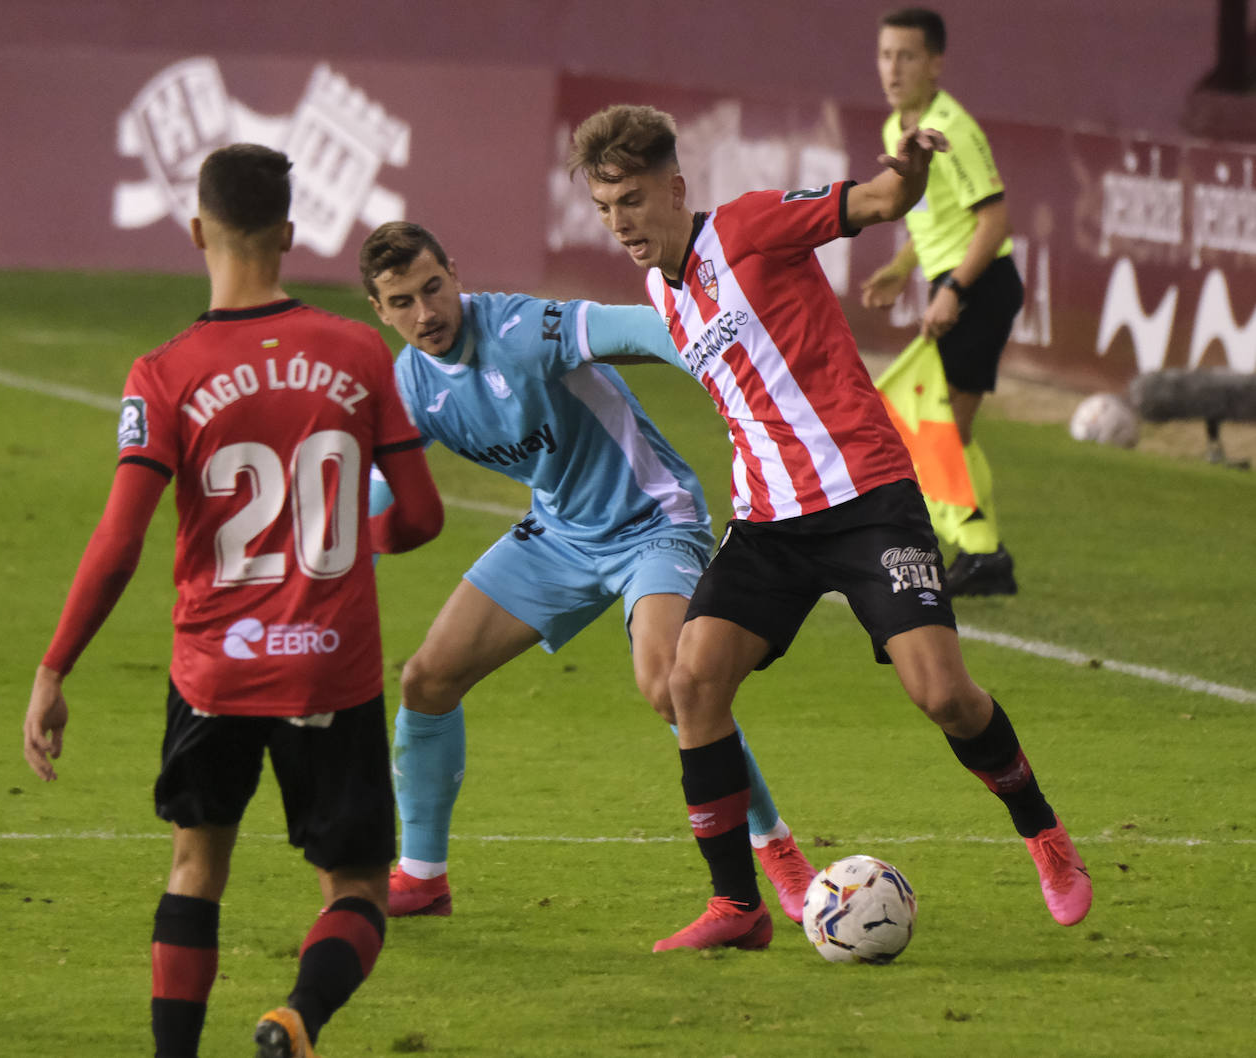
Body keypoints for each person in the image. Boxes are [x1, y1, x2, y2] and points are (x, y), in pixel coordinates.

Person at [567, 103, 1091, 952]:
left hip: (865, 495)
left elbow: (878, 202)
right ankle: (738, 906)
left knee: (942, 694)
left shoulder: (750, 227)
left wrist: (911, 173)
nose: (618, 221)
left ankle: (1044, 834)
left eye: (629, 198)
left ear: (674, 188)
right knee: (688, 685)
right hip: (769, 520)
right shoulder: (657, 294)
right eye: (602, 206)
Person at [21, 144, 443, 1058]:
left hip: (214, 669)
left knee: (196, 864)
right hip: (332, 671)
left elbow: (120, 542)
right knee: (358, 886)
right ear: (291, 235)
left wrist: (55, 666)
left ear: (196, 230)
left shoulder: (165, 371)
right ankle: (296, 1017)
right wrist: (355, 549)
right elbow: (420, 516)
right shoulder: (361, 350)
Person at [357, 220, 815, 939]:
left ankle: (776, 848)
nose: (426, 314)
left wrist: (714, 359)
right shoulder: (411, 385)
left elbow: (631, 327)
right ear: (378, 312)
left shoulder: (518, 326)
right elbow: (383, 484)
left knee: (671, 687)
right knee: (427, 680)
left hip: (652, 523)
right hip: (560, 536)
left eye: (433, 289)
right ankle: (421, 876)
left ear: (454, 272)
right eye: (402, 302)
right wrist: (354, 565)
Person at [860, 7, 1024, 597]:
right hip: (952, 286)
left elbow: (995, 219)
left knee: (944, 429)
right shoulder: (896, 131)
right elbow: (927, 217)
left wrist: (953, 289)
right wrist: (904, 269)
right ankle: (982, 553)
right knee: (947, 431)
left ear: (935, 64)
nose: (893, 68)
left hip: (981, 285)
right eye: (885, 55)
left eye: (906, 56)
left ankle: (975, 552)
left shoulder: (953, 128)